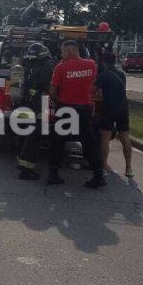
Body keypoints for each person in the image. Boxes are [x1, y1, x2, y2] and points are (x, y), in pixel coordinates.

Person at [47, 40, 105, 188]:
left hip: (66, 108)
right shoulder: (91, 65)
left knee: (57, 142)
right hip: (84, 110)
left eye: (62, 51)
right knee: (88, 143)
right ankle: (98, 175)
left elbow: (52, 91)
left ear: (69, 51)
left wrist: (57, 101)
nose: (61, 54)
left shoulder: (61, 67)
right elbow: (94, 84)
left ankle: (53, 174)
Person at [16, 43, 55, 180]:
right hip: (39, 104)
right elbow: (50, 87)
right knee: (35, 138)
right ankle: (27, 171)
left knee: (25, 135)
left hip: (25, 104)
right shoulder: (46, 67)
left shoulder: (26, 66)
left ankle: (21, 163)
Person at [95, 51, 133, 178]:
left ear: (103, 62)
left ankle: (104, 167)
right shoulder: (121, 74)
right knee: (125, 137)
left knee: (105, 137)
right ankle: (129, 168)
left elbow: (96, 92)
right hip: (123, 107)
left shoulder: (102, 76)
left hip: (108, 107)